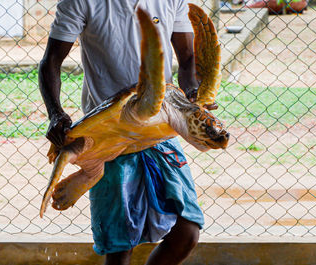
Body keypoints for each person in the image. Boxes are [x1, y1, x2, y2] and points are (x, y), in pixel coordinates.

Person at [39, 1, 214, 264]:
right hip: (109, 134)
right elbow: (51, 61)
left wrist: (192, 96)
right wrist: (56, 113)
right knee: (119, 247)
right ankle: (89, 172)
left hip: (160, 127)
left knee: (187, 231)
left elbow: (188, 58)